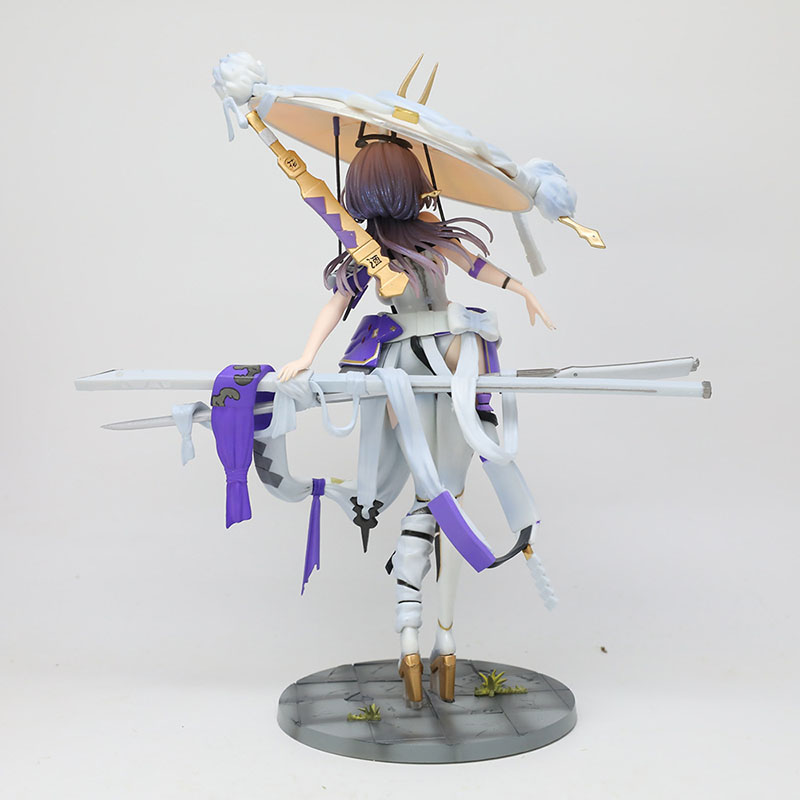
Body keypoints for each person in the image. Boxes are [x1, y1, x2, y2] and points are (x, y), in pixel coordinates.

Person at [276, 137, 554, 706]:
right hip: (439, 352)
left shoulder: (393, 239)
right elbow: (345, 302)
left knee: (435, 495)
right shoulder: (388, 242)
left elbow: (473, 265)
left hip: (409, 356)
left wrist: (519, 285)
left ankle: (413, 632)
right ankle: (436, 638)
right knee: (443, 494)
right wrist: (305, 354)